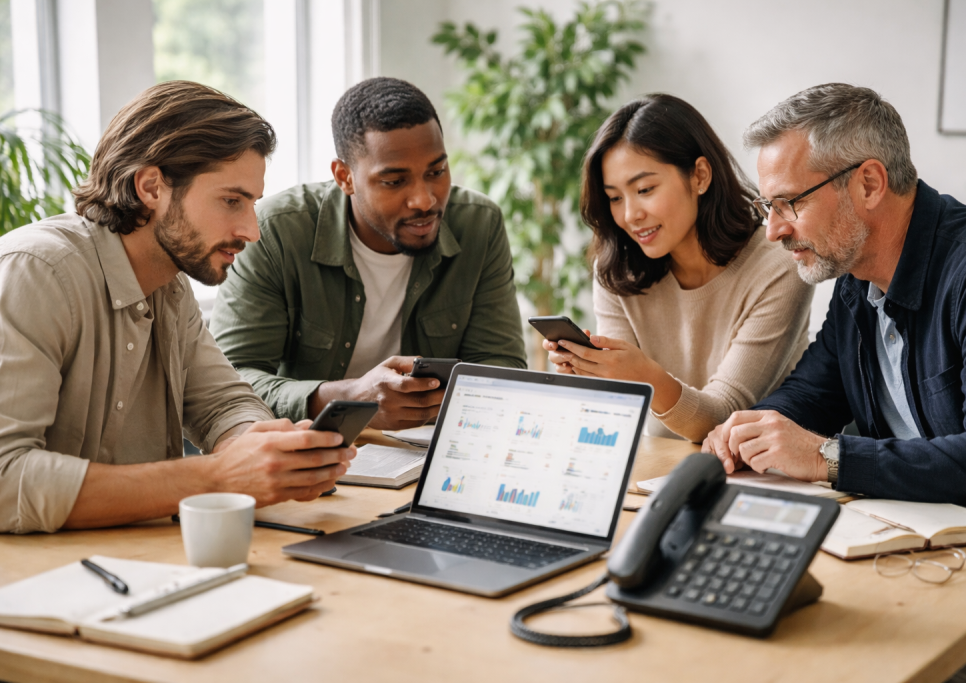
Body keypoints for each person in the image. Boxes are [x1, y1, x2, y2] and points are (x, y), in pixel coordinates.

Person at [0, 81, 356, 534]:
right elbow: (4, 479)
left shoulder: (169, 286)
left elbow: (221, 402)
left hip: (145, 560)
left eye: (251, 204)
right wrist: (216, 476)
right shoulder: (34, 272)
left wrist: (265, 450)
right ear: (151, 187)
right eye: (232, 201)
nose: (252, 230)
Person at [703, 83, 966, 509]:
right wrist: (748, 431)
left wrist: (827, 458)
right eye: (768, 207)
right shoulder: (856, 278)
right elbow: (811, 395)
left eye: (789, 203)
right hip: (904, 532)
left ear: (869, 184)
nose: (774, 230)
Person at [211, 77, 527, 432]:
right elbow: (229, 382)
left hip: (426, 451)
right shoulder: (276, 231)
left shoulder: (479, 225)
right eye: (394, 181)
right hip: (313, 451)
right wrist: (349, 398)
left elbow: (502, 367)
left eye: (436, 171)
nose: (425, 199)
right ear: (344, 177)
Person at [545, 93, 813, 442]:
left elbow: (723, 416)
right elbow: (625, 416)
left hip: (754, 476)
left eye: (644, 189)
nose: (630, 215)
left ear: (700, 176)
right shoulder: (616, 273)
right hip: (653, 471)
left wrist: (647, 377)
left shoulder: (778, 265)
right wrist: (594, 376)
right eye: (614, 197)